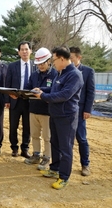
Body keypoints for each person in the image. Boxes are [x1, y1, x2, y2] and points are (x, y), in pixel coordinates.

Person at [33, 46, 84, 190]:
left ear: (62, 59)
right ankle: (54, 168)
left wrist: (42, 96)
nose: (53, 63)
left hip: (66, 117)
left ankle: (64, 177)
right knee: (54, 143)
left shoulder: (74, 75)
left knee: (66, 147)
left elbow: (64, 95)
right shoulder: (59, 73)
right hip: (55, 114)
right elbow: (55, 89)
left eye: (54, 59)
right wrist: (42, 90)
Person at [24, 47, 58, 170]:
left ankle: (47, 157)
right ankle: (36, 154)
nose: (41, 66)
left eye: (43, 63)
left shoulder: (55, 74)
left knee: (47, 137)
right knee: (34, 134)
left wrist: (42, 91)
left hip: (47, 111)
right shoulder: (34, 75)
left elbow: (55, 90)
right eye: (38, 64)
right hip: (33, 109)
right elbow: (27, 88)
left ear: (49, 61)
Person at [5, 41, 35, 158]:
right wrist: (8, 99)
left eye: (26, 49)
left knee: (27, 127)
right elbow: (8, 83)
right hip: (15, 100)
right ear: (18, 52)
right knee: (13, 126)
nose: (24, 51)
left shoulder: (35, 66)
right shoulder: (12, 66)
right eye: (22, 49)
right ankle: (14, 148)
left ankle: (25, 148)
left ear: (30, 51)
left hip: (30, 101)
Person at [69, 46, 95, 176]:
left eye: (71, 58)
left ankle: (85, 164)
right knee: (66, 139)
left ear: (79, 57)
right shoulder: (63, 70)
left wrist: (87, 109)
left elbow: (90, 91)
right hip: (66, 110)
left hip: (80, 111)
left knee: (81, 138)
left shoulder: (88, 71)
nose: (69, 60)